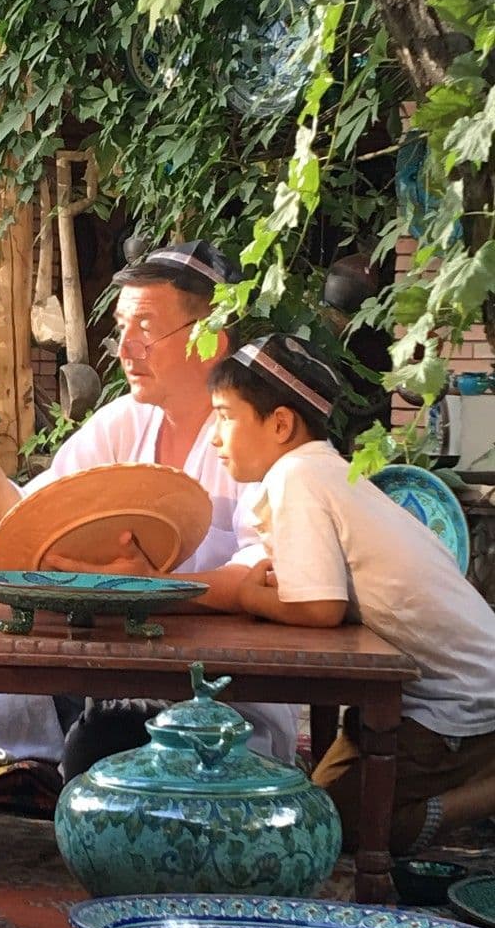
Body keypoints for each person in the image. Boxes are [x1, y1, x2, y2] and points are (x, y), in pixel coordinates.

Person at [0, 240, 297, 778]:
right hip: (92, 671)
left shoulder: (255, 440)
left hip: (213, 689)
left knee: (103, 749)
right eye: (121, 329)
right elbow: (28, 530)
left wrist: (151, 593)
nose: (125, 348)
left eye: (146, 329)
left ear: (210, 341)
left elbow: (268, 573)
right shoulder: (122, 423)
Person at [209, 331, 495, 855]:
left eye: (226, 416)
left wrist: (247, 598)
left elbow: (319, 608)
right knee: (314, 810)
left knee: (334, 829)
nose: (215, 436)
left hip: (462, 701)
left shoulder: (297, 475)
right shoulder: (322, 470)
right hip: (422, 694)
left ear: (279, 424)